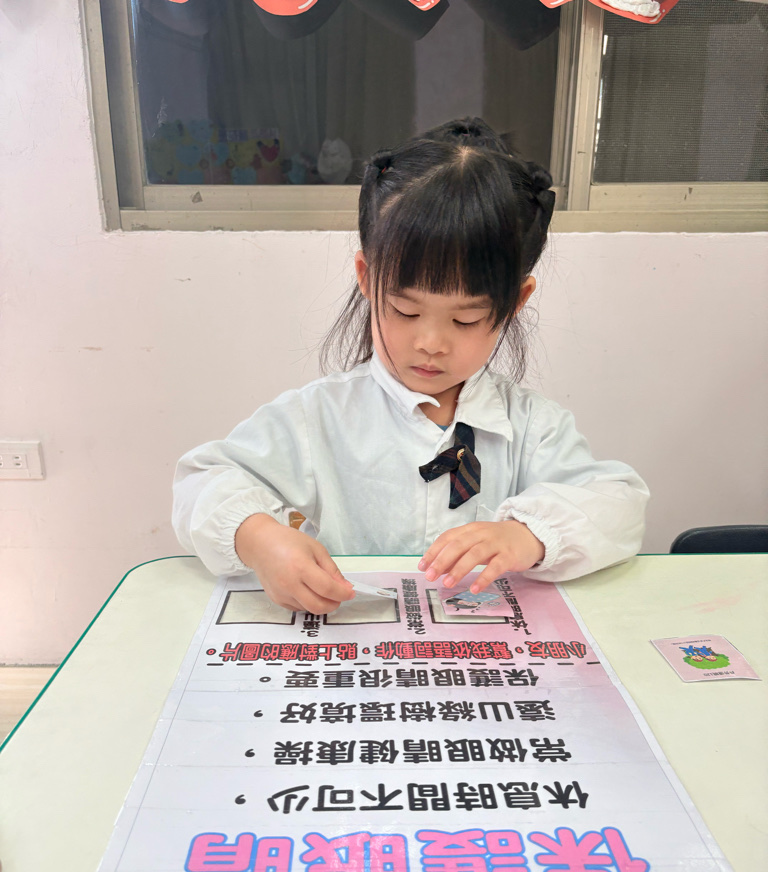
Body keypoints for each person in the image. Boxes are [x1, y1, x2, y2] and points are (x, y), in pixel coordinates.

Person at [172, 118, 649, 615]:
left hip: (480, 646)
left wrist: (529, 535)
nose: (430, 344)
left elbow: (619, 504)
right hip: (357, 639)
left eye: (465, 319)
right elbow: (203, 480)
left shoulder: (533, 426)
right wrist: (259, 539)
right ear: (366, 277)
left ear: (516, 302)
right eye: (405, 310)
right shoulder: (319, 416)